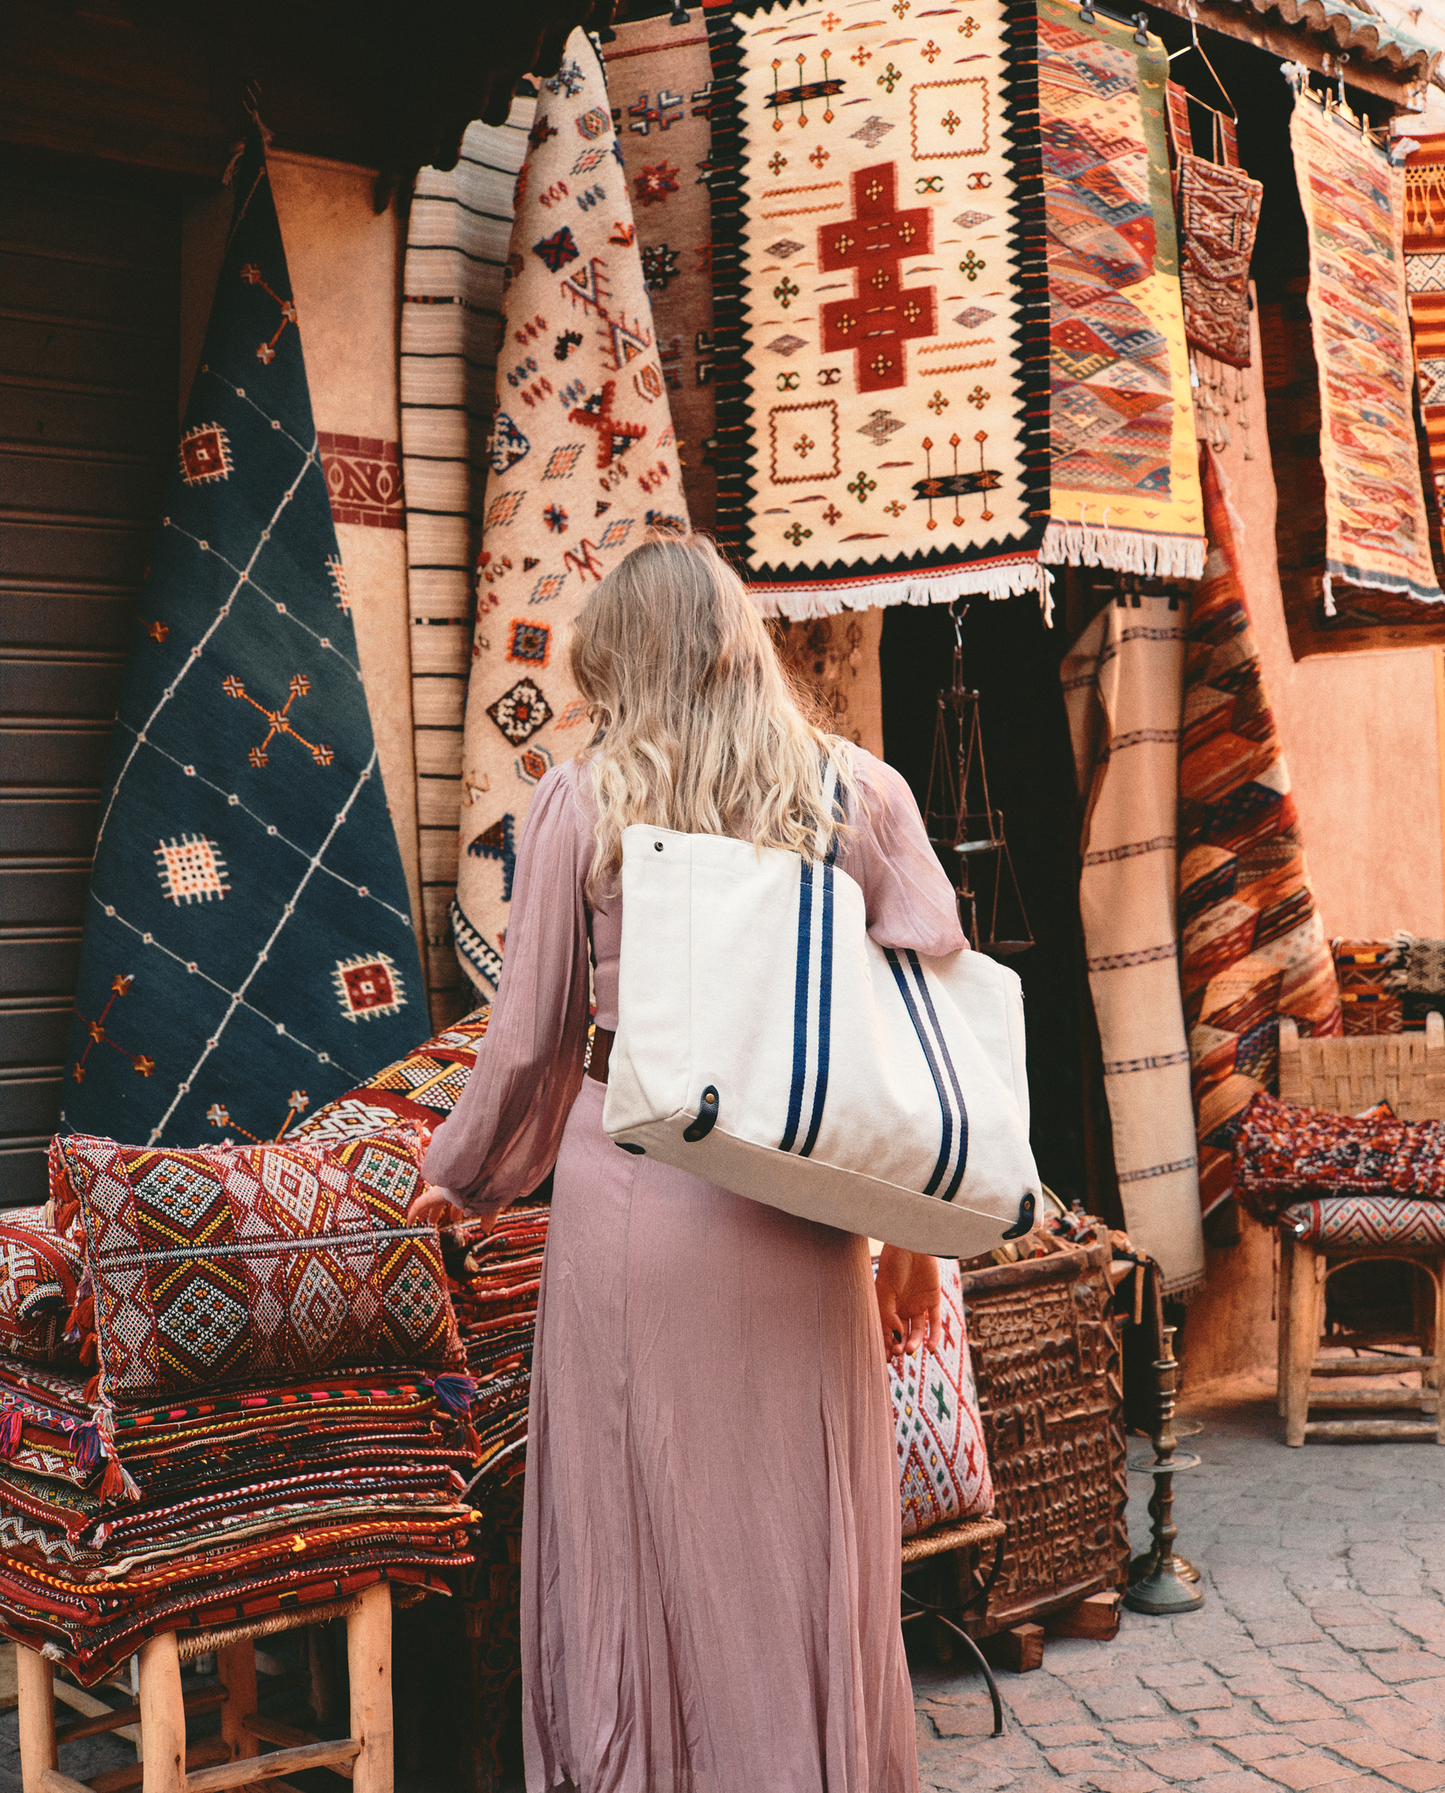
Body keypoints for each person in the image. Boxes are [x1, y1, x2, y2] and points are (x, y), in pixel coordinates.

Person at [417, 533, 969, 1793]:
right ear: (742, 645)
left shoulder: (581, 800)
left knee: (639, 1533)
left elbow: (531, 1044)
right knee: (799, 1540)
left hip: (633, 1207)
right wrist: (919, 1242)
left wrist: (459, 1174)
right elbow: (928, 1036)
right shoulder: (857, 795)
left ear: (616, 659)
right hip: (807, 1214)